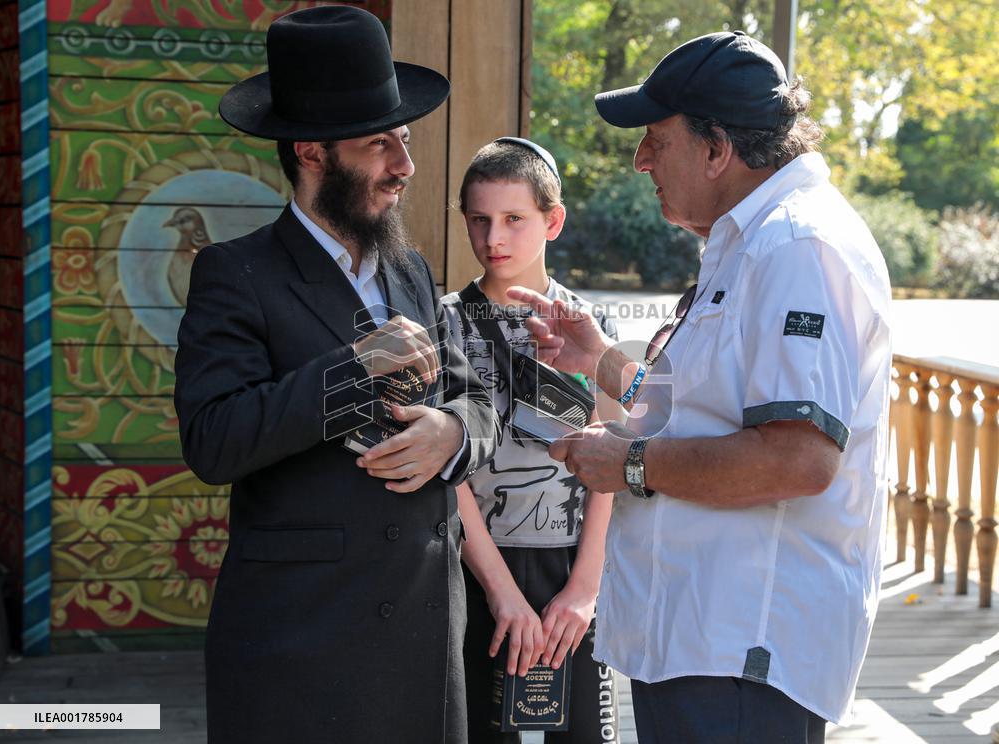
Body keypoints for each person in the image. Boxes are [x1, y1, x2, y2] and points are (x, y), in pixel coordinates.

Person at [507, 31, 892, 744]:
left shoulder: (797, 246)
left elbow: (799, 458)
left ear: (718, 149)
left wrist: (626, 464)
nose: (640, 159)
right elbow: (712, 407)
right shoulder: (751, 239)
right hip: (704, 641)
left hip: (740, 652)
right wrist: (601, 361)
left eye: (657, 138)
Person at [173, 7, 498, 743]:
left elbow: (476, 398)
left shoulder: (411, 269)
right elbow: (213, 440)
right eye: (380, 144)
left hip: (424, 640)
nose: (405, 167)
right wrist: (356, 369)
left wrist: (453, 432)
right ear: (311, 150)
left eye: (405, 140)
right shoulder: (235, 273)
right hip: (301, 645)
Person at [441, 138, 621, 743]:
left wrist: (586, 587)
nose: (494, 238)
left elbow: (614, 456)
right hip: (474, 567)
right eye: (479, 219)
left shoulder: (590, 329)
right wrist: (501, 592)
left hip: (572, 564)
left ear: (553, 220)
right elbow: (451, 472)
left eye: (514, 219)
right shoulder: (443, 324)